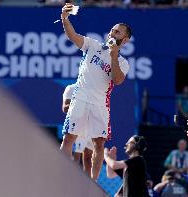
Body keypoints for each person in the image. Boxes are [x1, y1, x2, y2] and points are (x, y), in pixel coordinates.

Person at [60, 3, 132, 180]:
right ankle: (60, 173)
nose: (112, 34)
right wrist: (65, 18)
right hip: (81, 97)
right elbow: (73, 36)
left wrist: (114, 56)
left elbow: (117, 80)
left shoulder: (123, 62)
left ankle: (92, 182)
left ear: (125, 40)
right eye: (112, 31)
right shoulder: (93, 45)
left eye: (117, 32)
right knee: (69, 137)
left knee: (98, 144)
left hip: (100, 104)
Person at [60, 84, 93, 177]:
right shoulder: (71, 88)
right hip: (75, 122)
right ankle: (63, 170)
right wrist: (78, 103)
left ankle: (88, 184)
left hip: (90, 125)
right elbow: (65, 108)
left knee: (87, 157)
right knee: (68, 143)